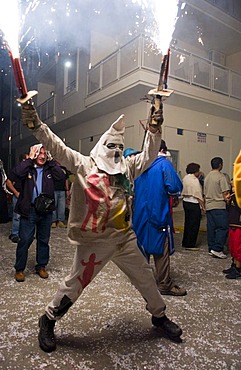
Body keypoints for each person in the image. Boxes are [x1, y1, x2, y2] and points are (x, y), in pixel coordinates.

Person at [21, 102, 183, 353]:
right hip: (94, 241)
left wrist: (154, 128)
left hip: (123, 238)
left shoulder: (127, 167)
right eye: (112, 146)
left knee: (146, 278)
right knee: (74, 284)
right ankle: (48, 319)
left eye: (120, 146)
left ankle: (159, 315)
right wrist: (37, 125)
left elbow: (149, 154)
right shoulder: (85, 165)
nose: (117, 151)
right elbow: (57, 147)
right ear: (101, 147)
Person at [132, 140, 186, 297]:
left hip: (140, 214)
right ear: (163, 149)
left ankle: (141, 281)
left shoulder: (138, 165)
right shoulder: (164, 164)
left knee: (142, 248)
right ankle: (164, 284)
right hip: (157, 214)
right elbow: (175, 186)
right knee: (161, 250)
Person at [11, 144, 66, 282]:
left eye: (44, 153)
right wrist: (29, 158)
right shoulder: (28, 167)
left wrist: (52, 160)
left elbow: (61, 177)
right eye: (39, 153)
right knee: (25, 240)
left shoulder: (49, 168)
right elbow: (16, 173)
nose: (42, 156)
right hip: (29, 210)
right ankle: (19, 269)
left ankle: (41, 266)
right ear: (34, 154)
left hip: (46, 211)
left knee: (43, 240)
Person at [204, 157, 230, 259]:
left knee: (211, 228)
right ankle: (218, 249)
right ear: (220, 165)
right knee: (223, 227)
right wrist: (228, 200)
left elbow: (204, 192)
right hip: (219, 206)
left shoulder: (207, 177)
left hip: (209, 206)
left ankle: (211, 248)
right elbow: (225, 193)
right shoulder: (221, 177)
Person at [182, 162, 205, 251]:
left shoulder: (185, 178)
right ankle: (191, 244)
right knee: (194, 224)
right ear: (195, 171)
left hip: (185, 202)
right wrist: (203, 207)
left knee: (187, 223)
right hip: (194, 204)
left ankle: (185, 242)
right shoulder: (195, 180)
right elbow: (198, 195)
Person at [6, 153, 29, 243]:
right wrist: (15, 192)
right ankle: (15, 234)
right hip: (18, 195)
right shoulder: (17, 170)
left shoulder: (31, 170)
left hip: (28, 196)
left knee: (27, 216)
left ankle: (25, 234)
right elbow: (8, 181)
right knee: (17, 216)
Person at [223, 179, 241, 279]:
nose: (232, 187)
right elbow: (229, 209)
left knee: (238, 247)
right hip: (232, 223)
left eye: (233, 186)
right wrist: (228, 201)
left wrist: (234, 197)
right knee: (233, 246)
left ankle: (238, 269)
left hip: (239, 225)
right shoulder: (234, 196)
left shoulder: (238, 197)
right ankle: (234, 265)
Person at [51, 163, 69, 228]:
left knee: (62, 206)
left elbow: (66, 179)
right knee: (54, 206)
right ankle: (53, 221)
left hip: (62, 190)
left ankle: (60, 221)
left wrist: (67, 189)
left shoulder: (63, 169)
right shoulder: (52, 168)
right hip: (54, 189)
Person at [0, 159, 10, 224]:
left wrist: (7, 191)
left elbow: (4, 181)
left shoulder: (2, 171)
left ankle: (3, 218)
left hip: (1, 190)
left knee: (2, 204)